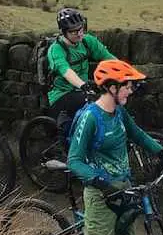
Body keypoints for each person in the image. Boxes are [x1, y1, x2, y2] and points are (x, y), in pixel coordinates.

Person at [66, 60, 163, 235]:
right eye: (127, 86)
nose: (131, 91)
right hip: (101, 194)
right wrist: (99, 181)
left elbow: (136, 133)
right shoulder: (91, 117)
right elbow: (74, 160)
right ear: (112, 87)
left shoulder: (119, 112)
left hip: (124, 188)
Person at [47, 7, 117, 139]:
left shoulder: (87, 41)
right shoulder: (56, 50)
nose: (79, 34)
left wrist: (131, 75)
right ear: (63, 32)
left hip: (83, 89)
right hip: (62, 94)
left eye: (81, 29)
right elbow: (66, 71)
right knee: (97, 105)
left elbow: (109, 58)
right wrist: (83, 85)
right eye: (74, 32)